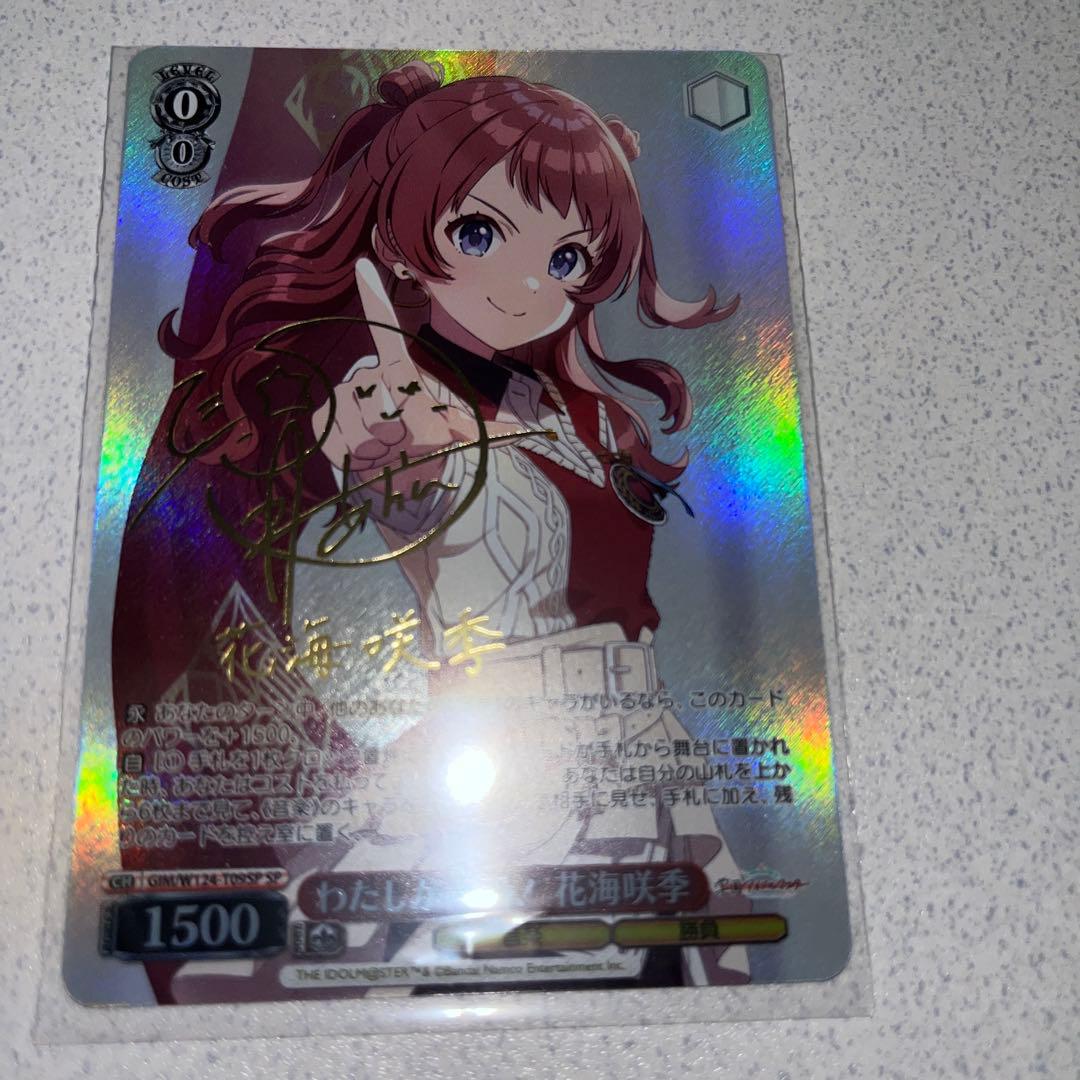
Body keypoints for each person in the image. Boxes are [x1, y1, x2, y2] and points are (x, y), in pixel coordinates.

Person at [127, 59, 752, 999]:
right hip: (518, 774)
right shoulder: (397, 397)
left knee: (686, 991)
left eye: (566, 259)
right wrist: (392, 449)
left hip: (642, 761)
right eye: (480, 233)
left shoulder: (570, 409)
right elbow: (390, 469)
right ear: (405, 244)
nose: (527, 283)